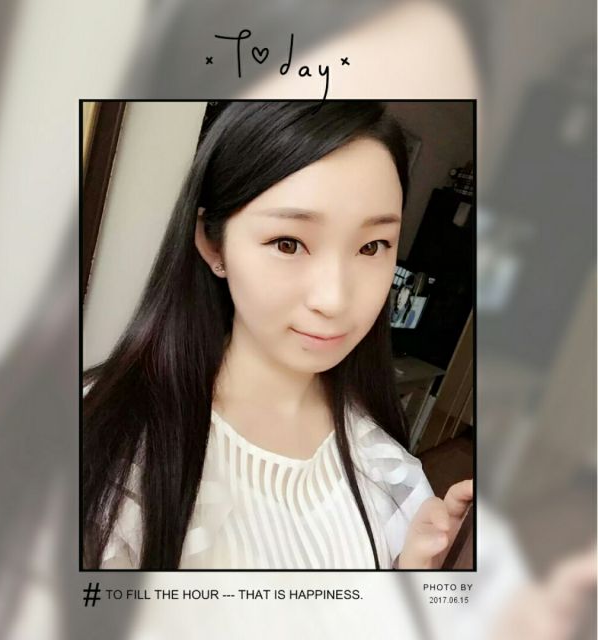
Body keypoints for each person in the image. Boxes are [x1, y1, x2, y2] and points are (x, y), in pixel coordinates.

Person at [82, 101, 472, 570]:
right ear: (213, 243)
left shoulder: (389, 473)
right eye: (288, 243)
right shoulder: (111, 452)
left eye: (372, 246)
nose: (334, 299)